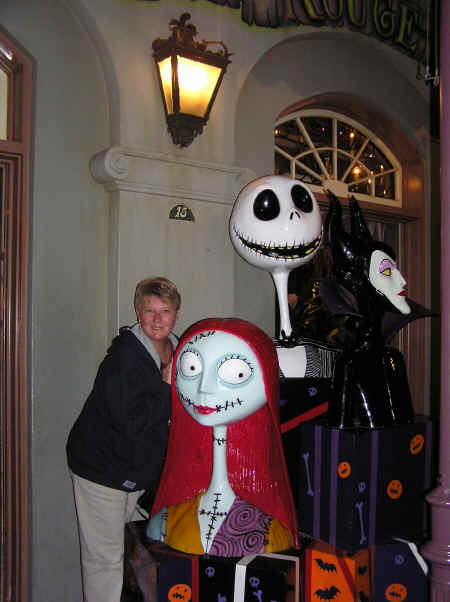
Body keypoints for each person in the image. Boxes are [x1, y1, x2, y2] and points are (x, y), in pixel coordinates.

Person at [66, 276, 180, 602]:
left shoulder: (177, 347)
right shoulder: (124, 359)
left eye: (165, 310)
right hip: (103, 470)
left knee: (134, 554)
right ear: (137, 312)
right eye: (149, 311)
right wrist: (164, 386)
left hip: (136, 472)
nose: (157, 319)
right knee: (105, 561)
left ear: (176, 313)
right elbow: (131, 423)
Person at [147, 317, 299, 557]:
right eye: (191, 369)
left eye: (237, 373)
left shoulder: (269, 531)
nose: (204, 389)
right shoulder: (168, 520)